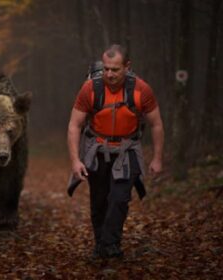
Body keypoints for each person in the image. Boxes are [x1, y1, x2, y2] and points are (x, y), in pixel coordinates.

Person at [67, 44, 164, 259]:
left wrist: (157, 158)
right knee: (99, 200)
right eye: (106, 68)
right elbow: (75, 125)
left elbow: (156, 124)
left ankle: (110, 244)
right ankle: (101, 244)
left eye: (115, 69)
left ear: (127, 67)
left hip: (127, 150)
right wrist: (75, 161)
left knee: (119, 199)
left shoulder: (141, 90)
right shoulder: (90, 89)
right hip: (96, 150)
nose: (109, 74)